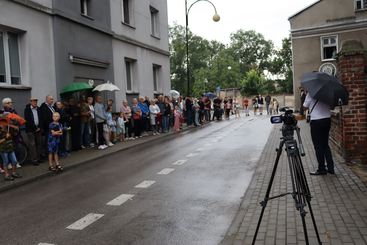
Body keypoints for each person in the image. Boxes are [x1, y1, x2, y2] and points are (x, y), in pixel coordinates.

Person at [303, 93, 335, 175]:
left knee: (318, 146)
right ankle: (331, 168)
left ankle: (322, 169)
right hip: (327, 120)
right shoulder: (327, 94)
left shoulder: (311, 94)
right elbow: (332, 107)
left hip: (316, 121)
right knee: (325, 145)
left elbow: (304, 107)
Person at [24, 98, 42, 165]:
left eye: (36, 101)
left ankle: (38, 158)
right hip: (30, 130)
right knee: (32, 145)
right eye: (34, 101)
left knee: (39, 143)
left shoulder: (39, 109)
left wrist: (39, 127)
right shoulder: (27, 109)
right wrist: (35, 128)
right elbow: (27, 120)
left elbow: (41, 118)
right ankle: (34, 160)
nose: (35, 103)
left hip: (39, 129)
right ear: (31, 102)